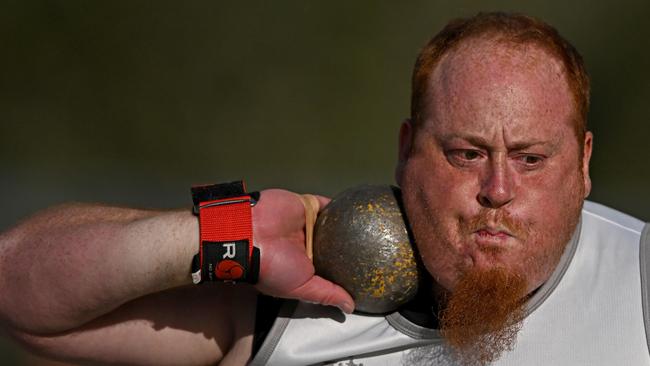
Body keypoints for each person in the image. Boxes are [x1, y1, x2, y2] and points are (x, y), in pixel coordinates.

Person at [0, 11, 648, 366]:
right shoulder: (299, 302)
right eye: (465, 153)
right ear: (405, 152)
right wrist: (224, 233)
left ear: (584, 162)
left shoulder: (637, 286)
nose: (498, 189)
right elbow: (21, 297)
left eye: (532, 159)